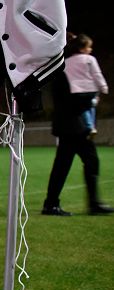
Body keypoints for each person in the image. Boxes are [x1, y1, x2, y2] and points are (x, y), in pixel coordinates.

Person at [42, 55, 113, 216]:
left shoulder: (61, 70)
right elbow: (71, 101)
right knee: (88, 161)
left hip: (70, 127)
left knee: (64, 165)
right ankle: (91, 204)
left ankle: (51, 204)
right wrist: (91, 100)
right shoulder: (65, 72)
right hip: (73, 127)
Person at [63, 33, 108, 136]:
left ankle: (90, 127)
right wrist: (103, 87)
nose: (90, 49)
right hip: (91, 90)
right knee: (90, 105)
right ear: (82, 48)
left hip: (76, 91)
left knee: (82, 108)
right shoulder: (90, 59)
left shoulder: (67, 61)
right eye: (89, 47)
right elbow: (97, 74)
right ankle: (91, 126)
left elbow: (68, 77)